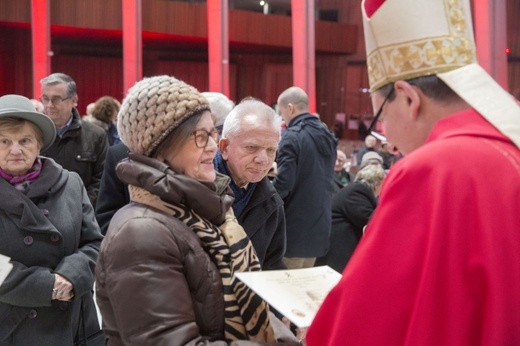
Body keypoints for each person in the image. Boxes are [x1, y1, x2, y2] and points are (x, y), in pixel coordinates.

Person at [307, 0, 520, 345]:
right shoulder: (507, 149)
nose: (387, 137)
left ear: (408, 98)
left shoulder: (434, 169)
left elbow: (362, 324)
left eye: (380, 120)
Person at [95, 75, 296, 345]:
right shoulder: (140, 232)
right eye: (202, 137)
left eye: (213, 134)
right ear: (162, 145)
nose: (213, 146)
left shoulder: (206, 208)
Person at [0, 94, 104, 345]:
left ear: (39, 144)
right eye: (4, 141)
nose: (15, 150)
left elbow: (95, 244)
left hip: (71, 324)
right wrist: (45, 285)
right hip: (10, 326)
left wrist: (71, 277)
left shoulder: (70, 183)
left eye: (25, 140)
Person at [215, 98, 287, 270]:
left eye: (271, 150)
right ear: (224, 147)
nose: (263, 160)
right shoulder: (196, 191)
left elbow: (273, 264)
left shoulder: (272, 203)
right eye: (251, 147)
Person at [273, 86, 337, 269]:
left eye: (282, 111)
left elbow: (285, 183)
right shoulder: (327, 134)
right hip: (319, 228)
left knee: (284, 292)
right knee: (302, 290)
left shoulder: (292, 136)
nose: (282, 117)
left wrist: (265, 199)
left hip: (294, 230)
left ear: (290, 108)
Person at [39, 72, 108, 208]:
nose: (49, 105)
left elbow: (101, 180)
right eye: (45, 98)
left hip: (82, 215)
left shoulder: (96, 135)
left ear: (74, 100)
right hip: (40, 216)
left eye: (57, 99)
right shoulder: (33, 135)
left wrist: (79, 207)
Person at [315, 162, 385, 273]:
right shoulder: (357, 192)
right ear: (377, 184)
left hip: (339, 245)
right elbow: (369, 220)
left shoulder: (357, 190)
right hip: (338, 248)